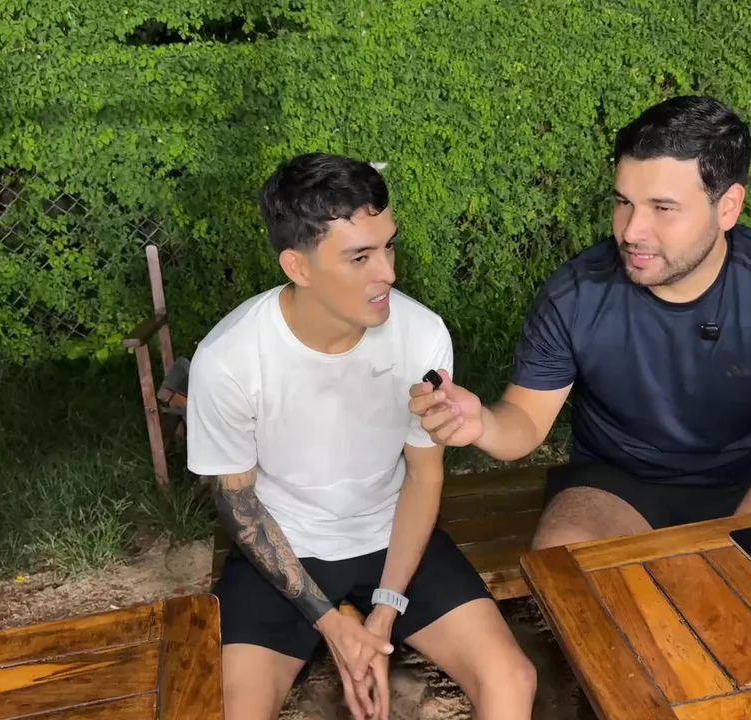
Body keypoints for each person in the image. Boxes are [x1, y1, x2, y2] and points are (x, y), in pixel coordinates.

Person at [409, 96, 751, 548]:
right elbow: (524, 418)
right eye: (623, 202)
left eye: (663, 208)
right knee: (568, 555)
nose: (631, 231)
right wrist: (482, 423)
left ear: (728, 207)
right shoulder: (578, 292)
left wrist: (722, 552)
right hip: (618, 484)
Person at [187, 153, 536, 720]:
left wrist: (384, 612)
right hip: (283, 548)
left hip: (392, 537)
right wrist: (332, 624)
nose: (388, 273)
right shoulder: (228, 359)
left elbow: (424, 476)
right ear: (297, 267)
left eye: (388, 247)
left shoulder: (420, 333)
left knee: (512, 679)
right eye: (360, 257)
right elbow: (239, 504)